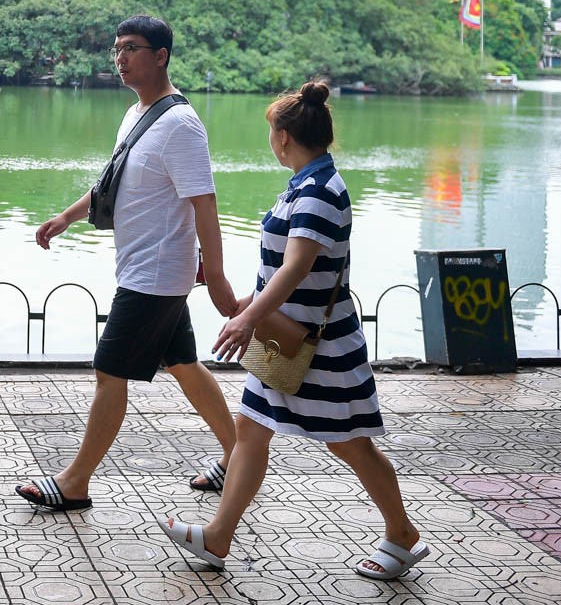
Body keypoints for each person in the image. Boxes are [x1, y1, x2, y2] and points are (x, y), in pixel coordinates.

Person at [159, 81, 431, 581]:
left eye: (271, 132)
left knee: (350, 444)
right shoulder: (304, 183)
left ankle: (403, 533)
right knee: (251, 429)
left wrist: (247, 317)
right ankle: (219, 535)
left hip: (319, 347)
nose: (270, 140)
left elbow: (296, 268)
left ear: (284, 137)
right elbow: (281, 271)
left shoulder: (321, 191)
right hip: (285, 337)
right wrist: (247, 306)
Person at [15, 14, 238, 512]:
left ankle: (74, 482)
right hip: (148, 267)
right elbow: (112, 182)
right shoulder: (137, 113)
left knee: (108, 372)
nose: (120, 58)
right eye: (117, 49)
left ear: (160, 56)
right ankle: (238, 455)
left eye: (132, 48)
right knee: (183, 363)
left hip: (157, 275)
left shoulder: (181, 125)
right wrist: (67, 217)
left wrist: (217, 278)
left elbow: (205, 203)